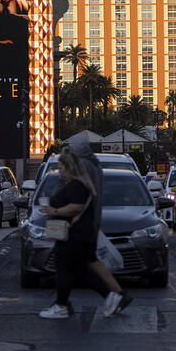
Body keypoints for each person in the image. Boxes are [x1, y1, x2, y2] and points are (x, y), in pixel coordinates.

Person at [38, 147, 120, 320]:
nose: (59, 171)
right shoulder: (79, 184)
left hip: (74, 234)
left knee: (65, 269)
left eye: (61, 168)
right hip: (79, 234)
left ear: (69, 168)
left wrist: (54, 210)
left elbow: (77, 206)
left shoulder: (76, 185)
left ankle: (62, 306)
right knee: (78, 271)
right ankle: (107, 296)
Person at [66, 132, 133, 315]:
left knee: (76, 265)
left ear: (78, 149)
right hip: (93, 218)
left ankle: (64, 302)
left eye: (72, 147)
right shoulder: (95, 163)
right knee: (92, 260)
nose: (70, 150)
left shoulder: (84, 165)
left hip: (83, 219)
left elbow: (83, 193)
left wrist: (72, 213)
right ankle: (119, 293)